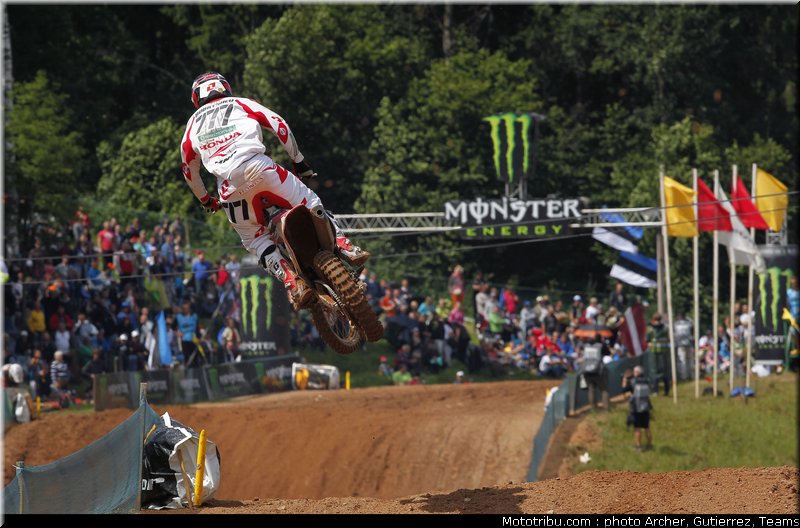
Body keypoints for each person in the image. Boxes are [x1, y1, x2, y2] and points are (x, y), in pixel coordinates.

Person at [180, 72, 367, 310]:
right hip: (260, 168)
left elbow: (188, 170)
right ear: (225, 87)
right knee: (310, 201)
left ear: (197, 98)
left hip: (229, 188)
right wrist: (298, 160)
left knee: (254, 239)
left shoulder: (191, 125)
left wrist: (206, 200)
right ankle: (344, 244)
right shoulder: (240, 102)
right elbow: (279, 123)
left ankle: (291, 282)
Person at [623, 365, 653, 451]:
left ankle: (638, 446)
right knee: (647, 428)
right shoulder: (647, 380)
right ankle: (649, 445)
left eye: (634, 371)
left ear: (637, 372)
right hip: (646, 407)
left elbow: (624, 390)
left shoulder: (632, 381)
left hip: (636, 408)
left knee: (637, 428)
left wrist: (624, 382)